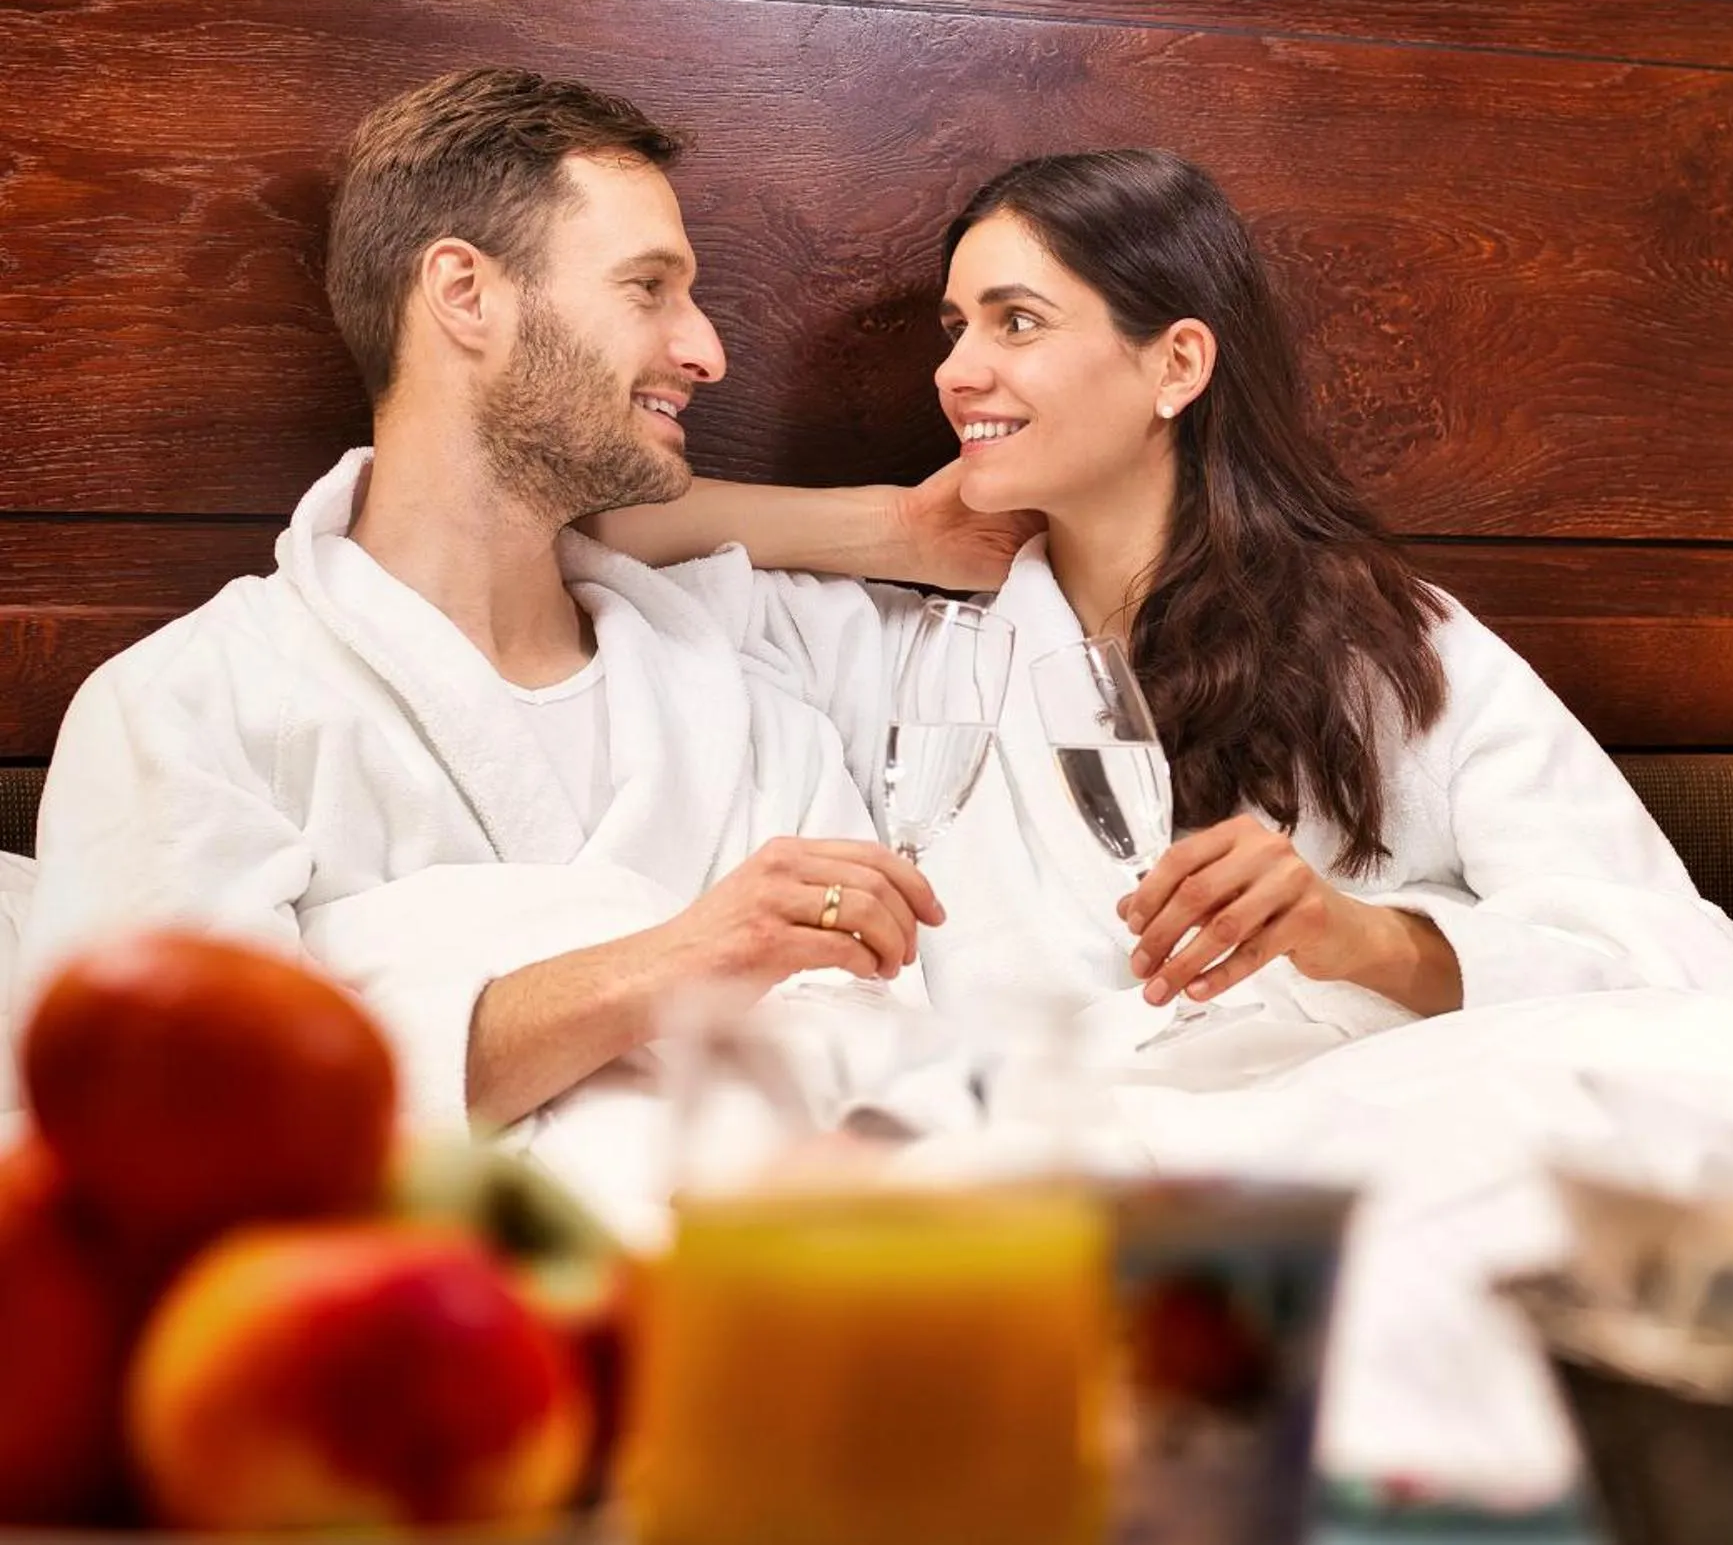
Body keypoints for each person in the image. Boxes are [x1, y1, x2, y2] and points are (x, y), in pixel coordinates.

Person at [12, 68, 1029, 1228]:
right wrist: (667, 966)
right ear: (464, 293)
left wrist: (382, 982)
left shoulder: (739, 695)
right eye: (649, 286)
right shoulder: (187, 709)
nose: (704, 350)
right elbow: (154, 1138)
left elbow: (891, 1054)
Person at [592, 148, 1733, 1082]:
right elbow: (558, 527)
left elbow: (1699, 975)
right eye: (955, 329)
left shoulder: (1385, 648)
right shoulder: (884, 650)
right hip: (1051, 1171)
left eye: (1016, 321)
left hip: (1356, 1163)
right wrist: (894, 532)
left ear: (1175, 365)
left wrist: (1368, 940)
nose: (957, 371)